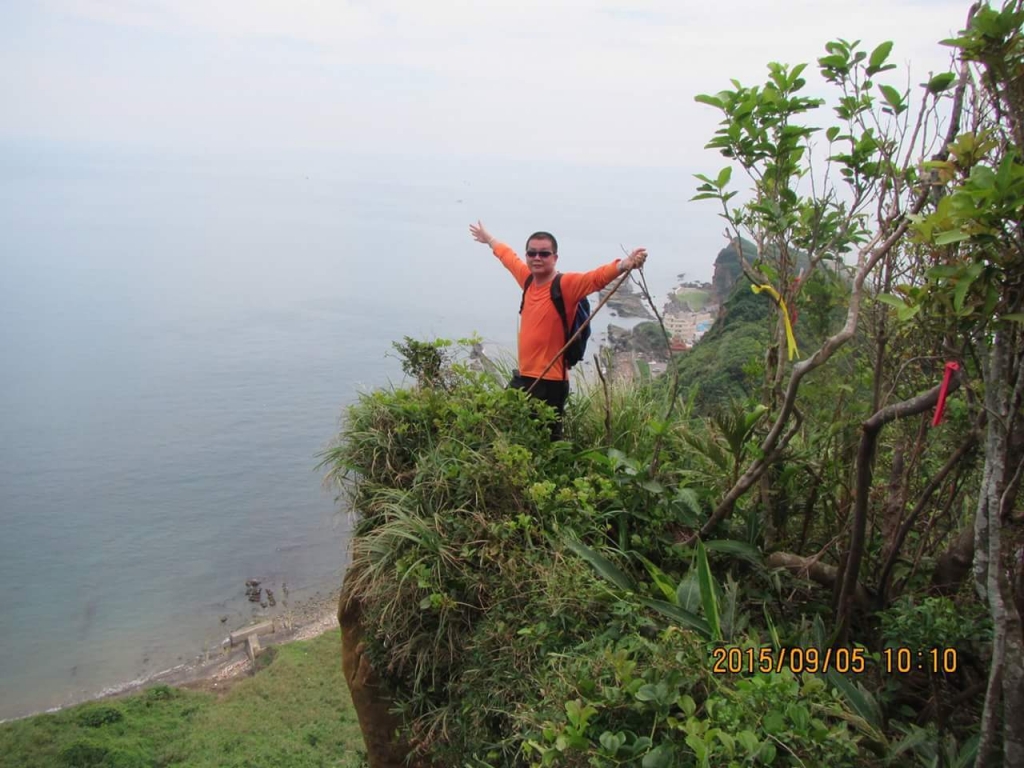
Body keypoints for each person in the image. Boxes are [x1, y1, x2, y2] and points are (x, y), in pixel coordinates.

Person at [469, 220, 648, 439]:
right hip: (525, 377)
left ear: (555, 258)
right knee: (505, 425)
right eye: (532, 253)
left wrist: (624, 264)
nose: (537, 258)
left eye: (544, 254)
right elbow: (508, 257)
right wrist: (488, 239)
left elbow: (595, 278)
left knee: (547, 441)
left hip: (551, 381)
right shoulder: (527, 280)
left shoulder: (565, 285)